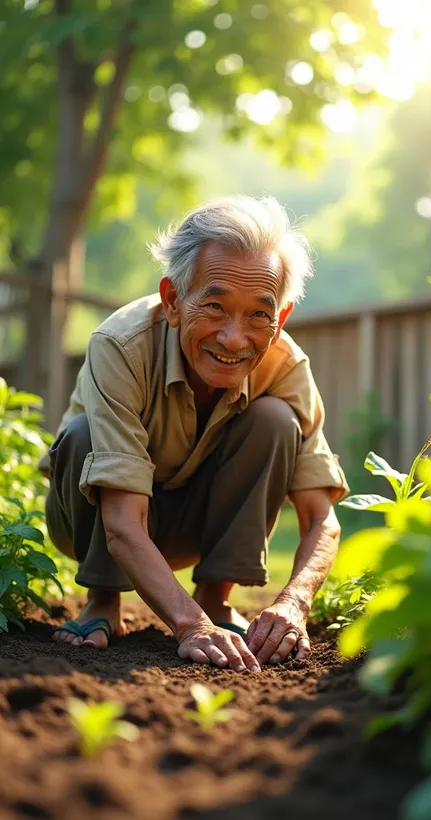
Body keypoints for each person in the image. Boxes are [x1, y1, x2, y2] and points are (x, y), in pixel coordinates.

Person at [41, 195, 348, 673]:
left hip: (195, 525)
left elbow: (321, 520)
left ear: (280, 319)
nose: (233, 338)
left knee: (275, 420)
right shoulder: (120, 345)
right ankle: (102, 600)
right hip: (96, 519)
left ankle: (216, 596)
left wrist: (294, 603)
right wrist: (190, 627)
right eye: (215, 306)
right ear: (173, 301)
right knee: (82, 437)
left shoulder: (286, 365)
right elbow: (122, 519)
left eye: (258, 315)